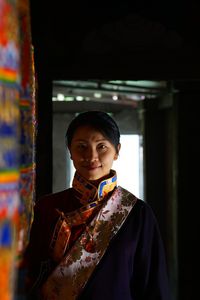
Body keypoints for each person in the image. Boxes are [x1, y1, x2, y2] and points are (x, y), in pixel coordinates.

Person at [23, 110, 171, 300]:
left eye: (101, 146)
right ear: (70, 151)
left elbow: (153, 286)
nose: (91, 156)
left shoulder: (138, 214)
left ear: (117, 151)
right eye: (81, 147)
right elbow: (28, 278)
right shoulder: (47, 208)